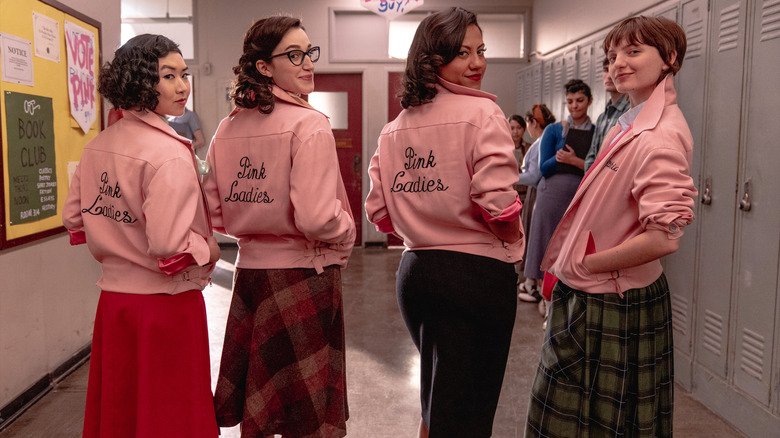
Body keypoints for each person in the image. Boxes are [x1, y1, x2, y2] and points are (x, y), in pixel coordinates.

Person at [525, 15, 696, 437]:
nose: (618, 63)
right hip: (596, 288)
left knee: (597, 423)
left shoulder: (657, 137)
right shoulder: (631, 123)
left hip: (611, 297)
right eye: (613, 54)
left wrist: (588, 263)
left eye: (634, 52)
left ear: (670, 58)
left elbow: (664, 237)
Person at [365, 8, 524, 438]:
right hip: (473, 277)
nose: (477, 63)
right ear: (433, 59)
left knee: (437, 403)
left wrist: (422, 224)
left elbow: (379, 212)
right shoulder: (483, 114)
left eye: (481, 50)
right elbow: (498, 205)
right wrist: (512, 243)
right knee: (467, 416)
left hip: (416, 274)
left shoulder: (394, 127)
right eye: (462, 53)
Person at [203, 16, 355, 438]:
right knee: (305, 416)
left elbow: (215, 213)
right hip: (303, 275)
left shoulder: (227, 127)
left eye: (309, 52)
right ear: (264, 67)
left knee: (265, 408)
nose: (308, 63)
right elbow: (317, 218)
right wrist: (347, 230)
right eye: (294, 55)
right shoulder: (309, 124)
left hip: (250, 276)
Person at [62, 34, 221, 438]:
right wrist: (209, 247)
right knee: (171, 416)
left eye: (184, 74)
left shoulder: (97, 146)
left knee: (120, 413)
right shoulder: (170, 154)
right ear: (140, 81)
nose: (182, 86)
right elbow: (169, 246)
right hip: (165, 307)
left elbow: (73, 219)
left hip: (115, 304)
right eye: (167, 76)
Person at [522, 79, 594, 303]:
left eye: (580, 100)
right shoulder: (554, 129)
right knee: (546, 243)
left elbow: (598, 167)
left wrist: (574, 161)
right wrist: (559, 158)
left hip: (578, 193)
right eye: (570, 101)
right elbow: (543, 167)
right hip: (550, 193)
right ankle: (546, 298)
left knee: (571, 246)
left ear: (589, 101)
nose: (575, 106)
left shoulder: (596, 131)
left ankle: (568, 297)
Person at [516, 104, 555, 302]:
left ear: (533, 123)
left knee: (535, 237)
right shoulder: (540, 142)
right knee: (531, 236)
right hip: (535, 193)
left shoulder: (541, 144)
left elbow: (533, 175)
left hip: (538, 193)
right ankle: (531, 281)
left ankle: (534, 284)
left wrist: (510, 176)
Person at [584, 57, 631, 171]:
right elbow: (592, 154)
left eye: (614, 70)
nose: (609, 75)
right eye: (606, 70)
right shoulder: (602, 117)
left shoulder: (630, 112)